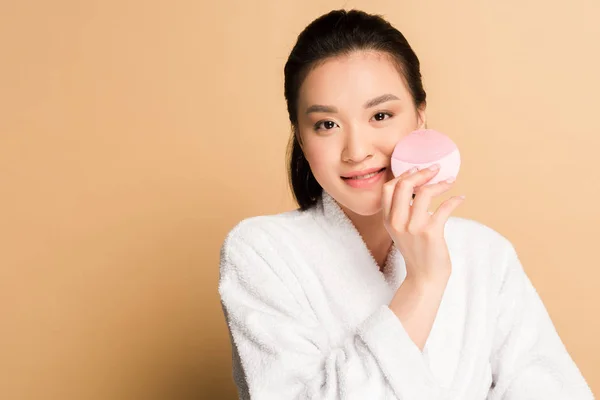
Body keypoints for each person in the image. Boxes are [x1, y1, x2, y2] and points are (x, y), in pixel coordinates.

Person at [218, 9, 594, 400]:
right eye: (327, 125)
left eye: (380, 115)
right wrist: (424, 284)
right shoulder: (261, 251)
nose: (357, 151)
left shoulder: (485, 254)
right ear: (300, 135)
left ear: (419, 117)